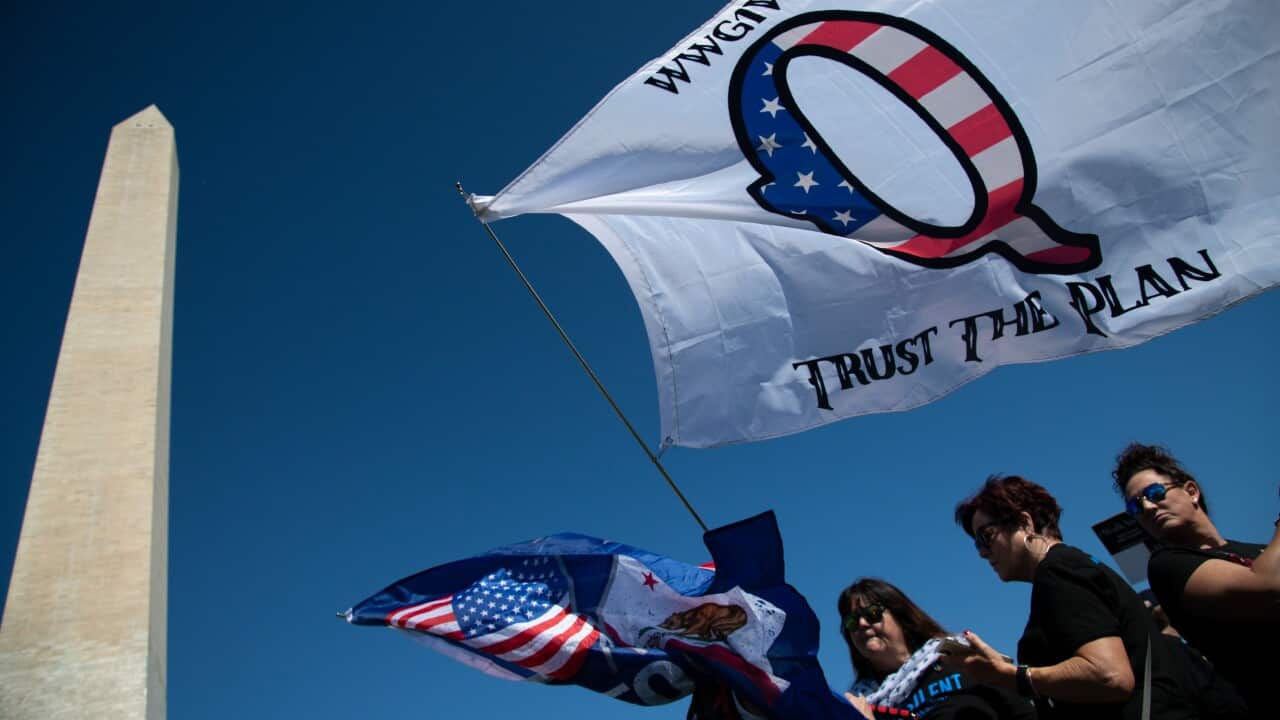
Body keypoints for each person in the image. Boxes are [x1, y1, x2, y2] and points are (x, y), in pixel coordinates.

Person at [947, 475, 1195, 720]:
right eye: (977, 544)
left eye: (986, 536)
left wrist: (1012, 676)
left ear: (1025, 523)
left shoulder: (1057, 570)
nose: (982, 552)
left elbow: (1109, 675)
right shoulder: (1072, 566)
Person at [1112, 443, 1279, 717]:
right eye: (1135, 506)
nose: (1148, 507)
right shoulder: (1168, 565)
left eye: (1154, 493)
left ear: (1191, 491)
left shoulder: (1257, 550)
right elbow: (1269, 586)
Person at [837, 577, 1035, 720]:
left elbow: (1022, 710)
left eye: (872, 613)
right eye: (852, 622)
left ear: (901, 617)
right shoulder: (857, 708)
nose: (862, 624)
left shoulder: (958, 657)